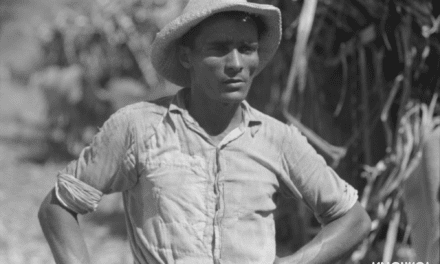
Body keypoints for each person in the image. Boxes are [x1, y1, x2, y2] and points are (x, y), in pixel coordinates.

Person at [38, 0, 371, 263]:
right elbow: (58, 207)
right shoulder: (138, 128)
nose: (236, 64)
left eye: (247, 48)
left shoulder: (278, 140)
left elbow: (353, 219)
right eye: (219, 48)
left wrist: (297, 263)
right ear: (187, 56)